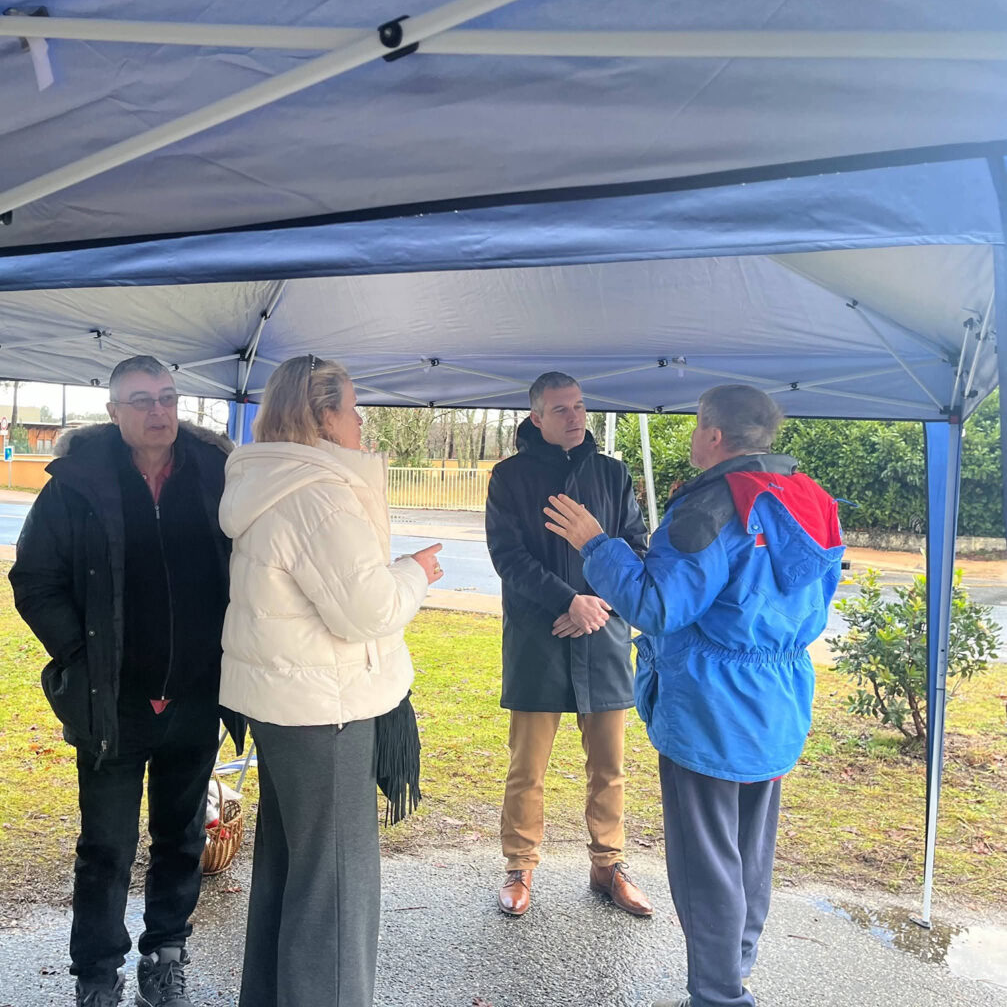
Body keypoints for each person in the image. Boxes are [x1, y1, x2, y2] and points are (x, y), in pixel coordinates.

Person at [544, 384, 844, 1007]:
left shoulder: (710, 508)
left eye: (695, 427)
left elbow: (658, 606)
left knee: (707, 864)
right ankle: (735, 969)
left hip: (709, 711)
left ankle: (717, 995)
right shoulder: (810, 499)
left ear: (712, 435)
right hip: (774, 705)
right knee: (748, 855)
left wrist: (599, 545)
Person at [10, 355, 243, 1007]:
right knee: (106, 847)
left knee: (181, 838)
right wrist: (82, 657)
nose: (158, 411)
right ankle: (97, 975)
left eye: (168, 397)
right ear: (113, 412)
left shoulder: (216, 477)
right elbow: (34, 581)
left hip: (196, 698)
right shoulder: (78, 484)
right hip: (111, 703)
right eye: (140, 400)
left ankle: (165, 957)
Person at [217, 355, 443, 1007]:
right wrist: (416, 572)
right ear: (321, 415)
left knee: (292, 874)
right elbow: (365, 611)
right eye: (349, 405)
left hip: (291, 705)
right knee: (337, 893)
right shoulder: (318, 492)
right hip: (326, 708)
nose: (359, 418)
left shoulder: (272, 479)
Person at [485, 371, 653, 918]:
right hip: (539, 636)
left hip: (602, 634)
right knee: (526, 766)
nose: (575, 417)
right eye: (561, 409)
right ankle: (520, 865)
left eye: (579, 406)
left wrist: (595, 606)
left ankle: (608, 865)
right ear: (536, 417)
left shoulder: (613, 473)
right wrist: (566, 601)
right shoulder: (508, 478)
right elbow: (508, 558)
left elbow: (633, 546)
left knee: (609, 765)